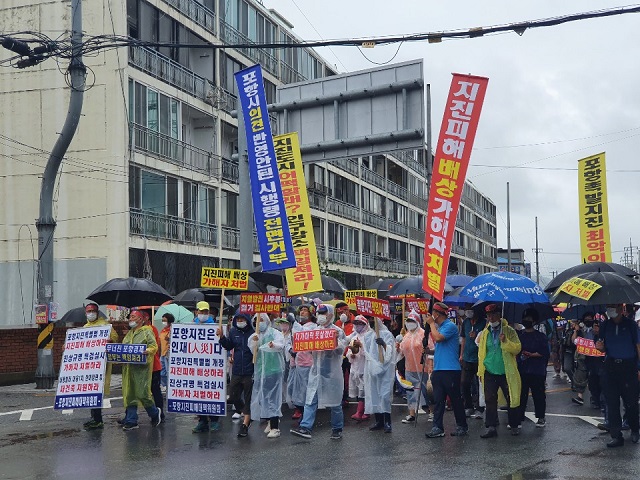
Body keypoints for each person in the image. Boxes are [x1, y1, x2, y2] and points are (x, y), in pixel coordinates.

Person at [290, 304, 348, 440]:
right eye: (319, 313)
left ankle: (337, 428)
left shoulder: (338, 331)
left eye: (323, 313)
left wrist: (334, 340)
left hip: (331, 373)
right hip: (316, 371)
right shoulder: (315, 331)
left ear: (330, 314)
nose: (321, 316)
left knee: (335, 403)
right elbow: (310, 350)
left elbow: (341, 350)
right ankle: (305, 427)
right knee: (310, 399)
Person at [596, 304, 640, 448]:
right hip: (610, 366)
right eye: (609, 306)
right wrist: (600, 346)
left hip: (629, 367)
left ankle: (634, 429)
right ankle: (616, 436)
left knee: (631, 402)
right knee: (612, 402)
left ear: (621, 309)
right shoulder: (605, 325)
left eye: (613, 307)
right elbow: (600, 344)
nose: (611, 310)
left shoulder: (631, 325)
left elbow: (638, 346)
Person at [424, 302, 469, 438]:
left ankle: (462, 426)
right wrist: (428, 350)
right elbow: (440, 346)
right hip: (439, 369)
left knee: (455, 400)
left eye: (433, 314)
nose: (432, 317)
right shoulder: (441, 327)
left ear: (437, 314)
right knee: (438, 401)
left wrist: (431, 324)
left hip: (450, 370)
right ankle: (437, 427)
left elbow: (438, 338)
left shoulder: (450, 326)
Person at [477, 303, 522, 438]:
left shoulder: (509, 331)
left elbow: (517, 348)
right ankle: (491, 426)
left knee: (511, 398)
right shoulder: (486, 332)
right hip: (489, 370)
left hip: (505, 371)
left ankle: (514, 424)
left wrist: (506, 341)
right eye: (488, 316)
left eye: (493, 315)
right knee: (490, 399)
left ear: (499, 315)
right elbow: (482, 352)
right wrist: (480, 371)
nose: (491, 318)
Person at [120, 310, 161, 430]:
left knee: (143, 394)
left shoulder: (147, 332)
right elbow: (123, 348)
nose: (130, 319)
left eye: (133, 317)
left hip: (142, 369)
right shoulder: (130, 333)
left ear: (140, 319)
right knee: (129, 394)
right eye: (130, 317)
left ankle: (154, 413)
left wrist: (147, 351)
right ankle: (131, 420)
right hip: (129, 368)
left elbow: (154, 346)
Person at [81, 302, 119, 430]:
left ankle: (98, 419)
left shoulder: (105, 325)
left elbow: (115, 337)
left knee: (97, 390)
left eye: (93, 311)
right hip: (88, 365)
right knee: (90, 391)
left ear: (97, 312)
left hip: (100, 364)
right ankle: (94, 417)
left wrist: (110, 340)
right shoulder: (85, 327)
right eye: (88, 311)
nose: (90, 313)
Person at [217, 311, 254, 437]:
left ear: (247, 320)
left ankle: (245, 424)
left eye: (242, 319)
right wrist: (222, 338)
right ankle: (245, 411)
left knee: (248, 398)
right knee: (232, 396)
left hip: (250, 370)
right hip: (237, 369)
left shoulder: (254, 332)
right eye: (237, 319)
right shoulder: (233, 332)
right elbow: (229, 345)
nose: (240, 322)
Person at [249, 313, 285, 438]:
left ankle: (275, 427)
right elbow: (252, 350)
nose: (259, 322)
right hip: (260, 372)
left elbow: (281, 345)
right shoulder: (255, 336)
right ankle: (270, 421)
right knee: (264, 398)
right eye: (257, 320)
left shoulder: (274, 333)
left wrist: (273, 345)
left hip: (274, 370)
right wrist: (255, 343)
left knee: (273, 399)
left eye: (262, 319)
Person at [516, 308, 550, 428]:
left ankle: (541, 417)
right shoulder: (519, 335)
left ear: (534, 321)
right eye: (525, 319)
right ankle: (519, 418)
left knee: (539, 395)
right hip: (522, 369)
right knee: (521, 395)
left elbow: (545, 352)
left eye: (529, 319)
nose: (526, 321)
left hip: (537, 370)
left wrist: (531, 354)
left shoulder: (540, 336)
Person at [362, 316, 396, 433]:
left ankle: (387, 422)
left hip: (385, 370)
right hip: (372, 370)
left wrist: (384, 345)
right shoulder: (367, 336)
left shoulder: (387, 334)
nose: (371, 322)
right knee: (374, 394)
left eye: (373, 319)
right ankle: (379, 421)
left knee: (385, 395)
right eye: (369, 320)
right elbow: (365, 352)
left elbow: (391, 352)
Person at [191, 301, 221, 432]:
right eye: (201, 311)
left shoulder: (214, 326)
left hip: (210, 366)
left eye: (205, 312)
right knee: (198, 394)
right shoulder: (190, 326)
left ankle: (214, 420)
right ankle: (202, 420)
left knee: (211, 393)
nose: (203, 314)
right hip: (195, 366)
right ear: (196, 311)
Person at [397, 310, 430, 424]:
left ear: (417, 322)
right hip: (409, 368)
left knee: (426, 391)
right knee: (410, 391)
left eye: (412, 321)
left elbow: (430, 350)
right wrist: (397, 349)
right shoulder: (406, 335)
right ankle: (411, 414)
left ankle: (432, 412)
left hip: (423, 368)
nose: (410, 323)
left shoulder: (423, 334)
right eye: (408, 321)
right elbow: (401, 351)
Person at [288, 305, 315, 421]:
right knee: (294, 387)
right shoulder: (298, 326)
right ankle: (299, 407)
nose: (302, 312)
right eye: (301, 310)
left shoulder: (313, 326)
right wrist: (290, 349)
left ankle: (304, 412)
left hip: (308, 362)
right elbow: (292, 339)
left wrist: (294, 323)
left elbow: (304, 334)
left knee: (305, 389)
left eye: (305, 310)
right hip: (297, 361)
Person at [459, 307, 486, 419]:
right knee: (464, 383)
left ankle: (480, 408)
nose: (468, 311)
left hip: (479, 358)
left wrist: (477, 336)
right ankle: (468, 406)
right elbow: (463, 339)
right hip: (467, 357)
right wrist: (461, 354)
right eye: (467, 309)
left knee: (480, 384)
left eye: (470, 309)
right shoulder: (465, 322)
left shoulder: (484, 323)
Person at [347, 315, 369, 421]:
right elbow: (349, 351)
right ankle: (361, 410)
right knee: (358, 389)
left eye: (360, 324)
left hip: (365, 367)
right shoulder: (353, 337)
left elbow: (370, 353)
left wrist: (362, 346)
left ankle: (363, 411)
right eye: (356, 323)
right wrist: (351, 355)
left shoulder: (369, 336)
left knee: (364, 391)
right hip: (355, 366)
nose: (358, 326)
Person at [569, 313, 594, 406]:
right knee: (581, 375)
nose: (588, 320)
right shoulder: (580, 330)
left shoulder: (596, 329)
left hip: (594, 357)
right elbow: (573, 341)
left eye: (590, 318)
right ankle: (580, 396)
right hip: (582, 356)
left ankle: (595, 397)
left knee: (594, 377)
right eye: (586, 319)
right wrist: (576, 331)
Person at [159, 313, 174, 391]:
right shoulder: (163, 330)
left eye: (164, 320)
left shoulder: (172, 330)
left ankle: (169, 388)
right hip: (162, 353)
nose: (163, 322)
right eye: (162, 320)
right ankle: (164, 385)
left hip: (168, 354)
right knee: (162, 372)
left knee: (168, 372)